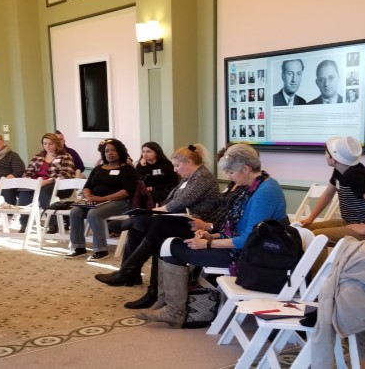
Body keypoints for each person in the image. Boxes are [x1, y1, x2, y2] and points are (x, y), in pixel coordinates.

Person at [138, 143, 286, 327]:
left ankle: (174, 310)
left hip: (251, 256)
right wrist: (211, 236)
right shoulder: (258, 186)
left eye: (231, 172)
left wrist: (208, 244)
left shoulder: (264, 192)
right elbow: (239, 229)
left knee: (171, 247)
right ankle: (166, 302)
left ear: (245, 169)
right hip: (242, 247)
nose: (229, 176)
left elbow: (248, 240)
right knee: (169, 243)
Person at [94, 144, 220, 309]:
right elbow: (170, 202)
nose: (175, 170)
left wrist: (150, 212)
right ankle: (135, 276)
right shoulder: (189, 178)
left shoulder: (203, 178)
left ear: (189, 162)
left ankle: (130, 272)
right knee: (146, 227)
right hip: (178, 219)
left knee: (150, 225)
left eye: (177, 165)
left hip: (196, 224)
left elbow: (177, 204)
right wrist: (151, 212)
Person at [299, 136, 365, 246]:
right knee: (306, 230)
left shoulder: (355, 175)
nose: (324, 156)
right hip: (352, 222)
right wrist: (310, 218)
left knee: (315, 237)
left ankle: (321, 263)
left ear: (333, 159)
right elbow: (327, 195)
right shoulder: (340, 170)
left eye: (326, 153)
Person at [66, 139, 137, 261]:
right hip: (96, 200)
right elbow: (87, 187)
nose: (110, 153)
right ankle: (78, 247)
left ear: (120, 151)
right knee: (75, 212)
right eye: (107, 151)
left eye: (113, 150)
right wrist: (88, 196)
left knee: (94, 214)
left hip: (120, 202)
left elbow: (127, 191)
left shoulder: (127, 169)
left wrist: (102, 198)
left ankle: (101, 250)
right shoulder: (98, 168)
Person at [17, 133, 76, 233]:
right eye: (45, 144)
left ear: (57, 144)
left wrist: (48, 181)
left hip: (59, 186)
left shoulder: (65, 156)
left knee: (44, 190)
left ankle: (52, 223)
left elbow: (66, 174)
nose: (47, 146)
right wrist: (29, 181)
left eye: (50, 144)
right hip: (36, 184)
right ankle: (24, 223)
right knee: (24, 192)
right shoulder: (38, 157)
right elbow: (27, 172)